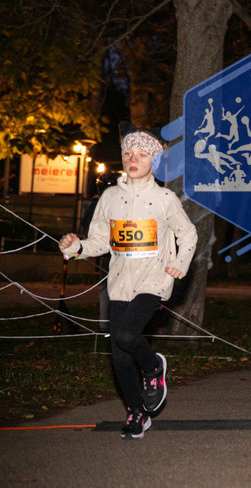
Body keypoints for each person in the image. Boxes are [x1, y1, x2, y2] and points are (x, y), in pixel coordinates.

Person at [58, 127, 197, 439]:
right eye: (128, 154)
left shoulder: (164, 198)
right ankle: (137, 413)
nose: (134, 159)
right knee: (119, 353)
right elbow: (98, 242)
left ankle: (152, 369)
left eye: (142, 154)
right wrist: (74, 246)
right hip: (120, 283)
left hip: (154, 279)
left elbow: (188, 233)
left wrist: (178, 263)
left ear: (154, 161)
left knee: (125, 333)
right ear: (122, 159)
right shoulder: (110, 198)